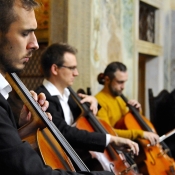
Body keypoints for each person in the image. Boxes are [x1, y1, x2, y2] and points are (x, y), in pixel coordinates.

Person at [0, 1, 138, 174]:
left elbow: (7, 154)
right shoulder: (40, 95)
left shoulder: (70, 97)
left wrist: (24, 129)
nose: (35, 44)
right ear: (55, 69)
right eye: (25, 33)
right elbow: (30, 169)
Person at [95, 61, 159, 145]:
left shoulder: (119, 97)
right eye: (120, 82)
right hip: (115, 147)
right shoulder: (99, 101)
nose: (123, 87)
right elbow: (108, 132)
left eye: (125, 82)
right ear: (107, 80)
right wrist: (140, 134)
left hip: (128, 144)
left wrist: (135, 112)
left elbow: (126, 123)